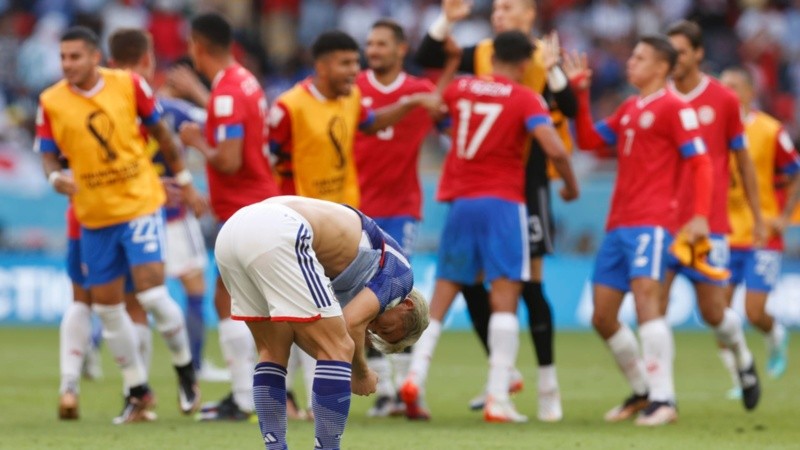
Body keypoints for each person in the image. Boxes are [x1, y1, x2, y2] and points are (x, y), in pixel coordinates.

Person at [401, 30, 579, 424]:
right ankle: (498, 397)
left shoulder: (462, 87)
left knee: (445, 293)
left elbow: (434, 107)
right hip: (502, 204)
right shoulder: (525, 98)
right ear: (525, 62)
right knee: (504, 297)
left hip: (461, 202)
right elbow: (554, 147)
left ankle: (415, 377)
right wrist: (570, 183)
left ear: (492, 54)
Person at [36, 26, 204, 423]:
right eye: (63, 58)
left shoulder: (129, 85)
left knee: (151, 295)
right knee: (109, 310)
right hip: (93, 216)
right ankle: (138, 389)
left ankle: (185, 372)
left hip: (139, 204)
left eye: (75, 56)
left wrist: (182, 180)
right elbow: (47, 153)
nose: (67, 65)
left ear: (96, 57)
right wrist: (54, 178)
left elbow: (162, 133)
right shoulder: (51, 101)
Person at [567, 35, 711, 426]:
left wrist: (698, 216)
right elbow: (590, 141)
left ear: (662, 67)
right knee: (603, 316)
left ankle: (665, 399)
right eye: (632, 55)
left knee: (648, 301)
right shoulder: (631, 107)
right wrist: (580, 94)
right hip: (618, 225)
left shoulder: (675, 108)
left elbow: (701, 163)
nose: (630, 62)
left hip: (653, 221)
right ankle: (643, 390)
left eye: (640, 57)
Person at [214, 195, 429, 450]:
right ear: (407, 305)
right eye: (387, 328)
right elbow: (350, 326)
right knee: (340, 347)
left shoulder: (360, 274)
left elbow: (313, 338)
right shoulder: (401, 277)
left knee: (273, 349)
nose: (374, 327)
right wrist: (360, 372)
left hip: (233, 230)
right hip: (278, 230)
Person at [107, 28, 226, 381]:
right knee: (193, 288)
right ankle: (197, 366)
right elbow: (225, 122)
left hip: (132, 213)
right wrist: (199, 93)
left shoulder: (119, 107)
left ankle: (134, 378)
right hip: (172, 215)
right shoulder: (175, 110)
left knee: (132, 297)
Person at [178, 12, 280, 420]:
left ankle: (245, 397)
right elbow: (233, 122)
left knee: (230, 300)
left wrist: (195, 142)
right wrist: (200, 100)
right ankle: (259, 395)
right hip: (258, 203)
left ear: (197, 46)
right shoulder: (243, 81)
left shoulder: (225, 93)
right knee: (249, 300)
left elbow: (229, 158)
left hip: (242, 209)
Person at [665, 20, 762, 412]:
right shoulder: (658, 98)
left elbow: (743, 160)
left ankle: (742, 359)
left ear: (699, 54)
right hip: (664, 222)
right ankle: (661, 398)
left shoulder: (722, 100)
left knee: (714, 312)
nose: (674, 60)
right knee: (651, 305)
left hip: (709, 222)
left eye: (681, 52)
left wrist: (757, 216)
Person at [354, 19, 438, 418]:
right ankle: (385, 391)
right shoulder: (351, 88)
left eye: (382, 43)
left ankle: (408, 390)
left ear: (401, 49)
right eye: (370, 43)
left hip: (402, 206)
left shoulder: (419, 91)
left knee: (400, 296)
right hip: (357, 208)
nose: (373, 49)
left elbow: (445, 112)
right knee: (362, 298)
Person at [268, 29, 441, 207]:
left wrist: (409, 104)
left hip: (344, 209)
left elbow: (372, 123)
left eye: (356, 62)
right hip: (299, 212)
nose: (354, 70)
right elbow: (264, 161)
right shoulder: (288, 107)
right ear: (321, 67)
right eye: (345, 64)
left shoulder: (351, 96)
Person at [719, 67, 800, 391]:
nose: (727, 92)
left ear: (750, 93)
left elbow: (795, 173)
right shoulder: (712, 130)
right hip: (722, 234)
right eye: (722, 87)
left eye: (734, 87)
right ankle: (742, 375)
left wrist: (784, 217)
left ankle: (775, 334)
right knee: (718, 314)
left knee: (754, 312)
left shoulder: (770, 130)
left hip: (761, 234)